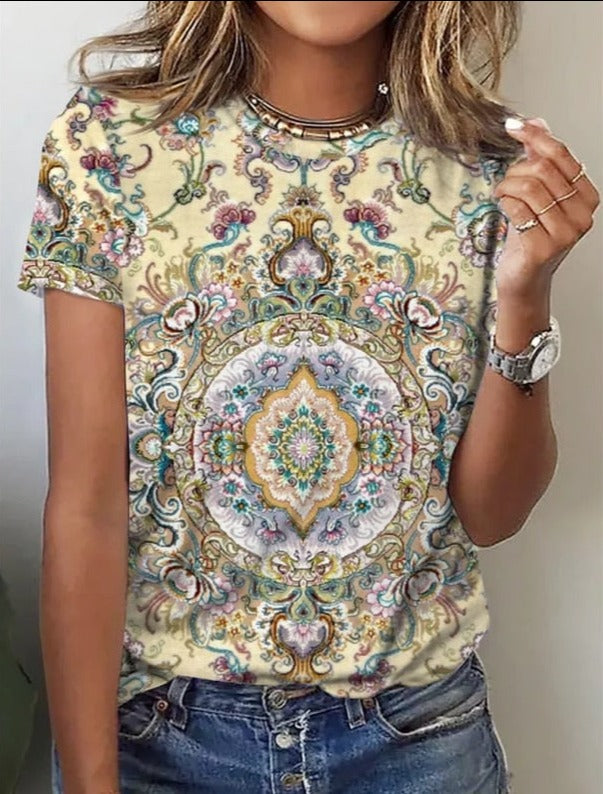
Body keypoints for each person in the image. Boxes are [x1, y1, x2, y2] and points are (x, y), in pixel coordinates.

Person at [17, 2, 598, 793]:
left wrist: (526, 291)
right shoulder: (108, 146)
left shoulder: (492, 167)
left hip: (416, 742)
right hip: (162, 740)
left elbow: (491, 515)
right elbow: (86, 506)